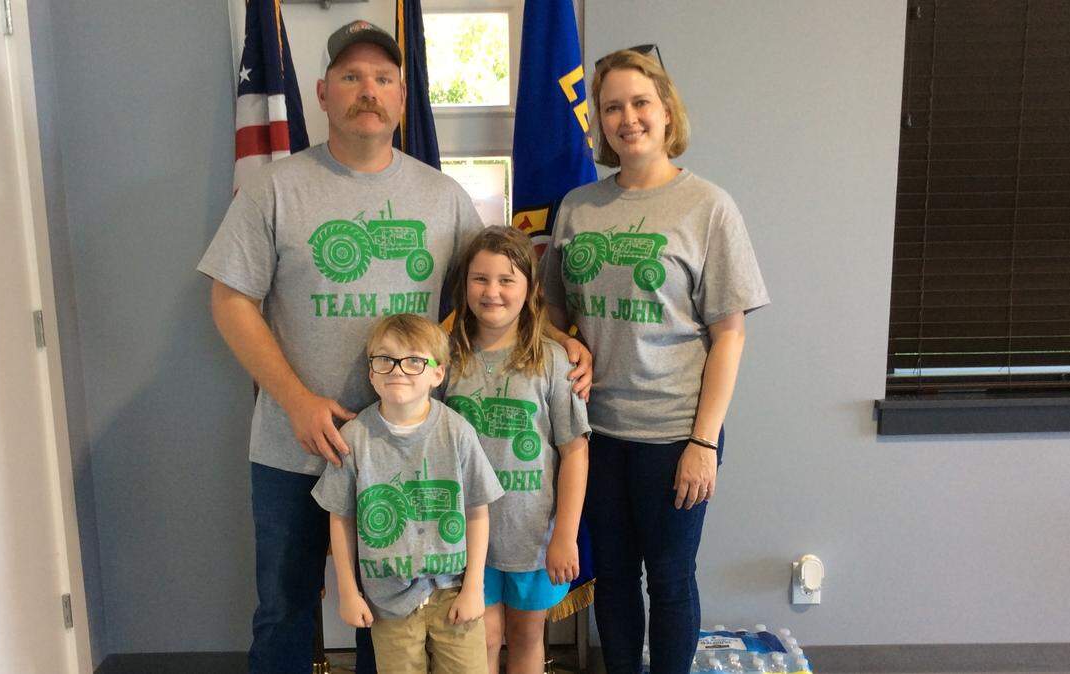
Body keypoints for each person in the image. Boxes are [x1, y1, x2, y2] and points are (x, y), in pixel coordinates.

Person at [197, 19, 488, 674]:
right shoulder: (274, 189)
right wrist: (297, 401)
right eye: (352, 76)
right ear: (323, 92)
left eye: (383, 78)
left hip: (407, 452)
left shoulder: (442, 197)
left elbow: (494, 293)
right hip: (294, 445)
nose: (368, 90)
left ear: (402, 97)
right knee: (284, 608)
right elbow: (229, 299)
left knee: (391, 617)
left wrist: (557, 344)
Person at [539, 47, 770, 674]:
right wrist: (566, 341)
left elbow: (730, 335)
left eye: (640, 102)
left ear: (666, 110)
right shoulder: (577, 207)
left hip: (674, 434)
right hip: (593, 432)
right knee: (613, 579)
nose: (627, 118)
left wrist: (703, 442)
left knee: (669, 579)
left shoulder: (708, 207)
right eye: (612, 107)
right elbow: (551, 316)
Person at [312, 314, 504, 674]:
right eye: (385, 359)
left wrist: (474, 587)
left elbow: (478, 511)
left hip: (453, 593)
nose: (398, 370)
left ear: (438, 373)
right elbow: (341, 518)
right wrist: (348, 592)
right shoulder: (355, 438)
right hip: (388, 600)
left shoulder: (458, 433)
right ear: (371, 373)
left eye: (414, 360)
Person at [445, 227, 591, 674]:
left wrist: (565, 534)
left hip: (533, 535)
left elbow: (574, 452)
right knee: (483, 639)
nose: (492, 292)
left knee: (527, 638)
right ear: (465, 284)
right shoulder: (446, 358)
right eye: (480, 279)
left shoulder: (552, 360)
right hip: (466, 537)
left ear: (530, 288)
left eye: (506, 280)